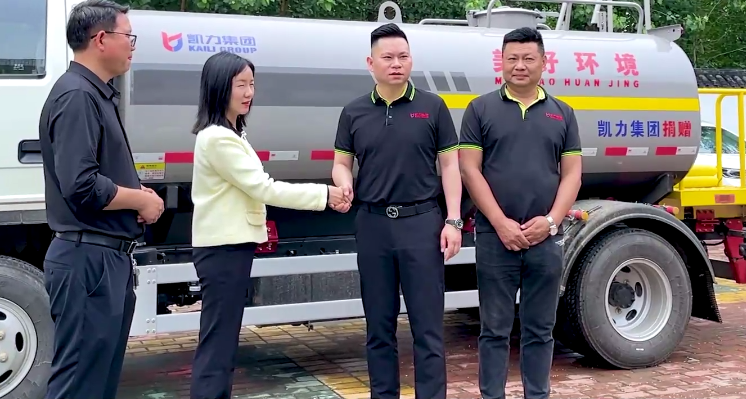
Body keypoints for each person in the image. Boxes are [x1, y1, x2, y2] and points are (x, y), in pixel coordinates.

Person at [189, 50, 352, 399]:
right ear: (219, 87)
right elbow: (264, 188)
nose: (249, 92)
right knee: (218, 343)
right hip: (223, 249)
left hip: (229, 247)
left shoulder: (232, 133)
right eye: (240, 85)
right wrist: (325, 194)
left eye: (252, 84)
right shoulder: (217, 138)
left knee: (222, 339)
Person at [39, 0, 166, 399]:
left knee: (96, 382)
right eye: (128, 36)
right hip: (88, 262)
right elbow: (81, 185)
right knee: (80, 383)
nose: (133, 45)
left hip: (101, 259)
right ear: (100, 39)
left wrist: (135, 195)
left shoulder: (94, 94)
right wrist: (139, 201)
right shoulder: (77, 96)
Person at [331, 23, 464, 399]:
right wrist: (344, 182)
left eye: (403, 56)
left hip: (422, 224)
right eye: (387, 57)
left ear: (411, 61)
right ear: (370, 63)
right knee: (379, 328)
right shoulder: (354, 112)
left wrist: (453, 220)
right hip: (373, 225)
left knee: (428, 329)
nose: (396, 64)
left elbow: (450, 166)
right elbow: (341, 163)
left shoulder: (432, 107)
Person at [457, 26, 583, 399]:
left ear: (544, 62)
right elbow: (469, 170)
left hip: (545, 238)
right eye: (512, 58)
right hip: (496, 238)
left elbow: (572, 175)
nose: (520, 65)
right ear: (502, 62)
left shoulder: (562, 113)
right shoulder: (480, 109)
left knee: (540, 329)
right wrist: (500, 223)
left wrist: (551, 222)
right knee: (494, 329)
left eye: (528, 58)